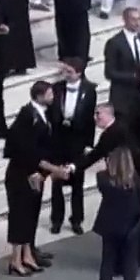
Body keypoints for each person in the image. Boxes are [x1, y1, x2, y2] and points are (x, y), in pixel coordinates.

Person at [3, 81, 68, 276]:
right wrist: (53, 169)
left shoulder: (43, 114)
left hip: (35, 174)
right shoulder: (26, 116)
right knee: (19, 216)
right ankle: (15, 260)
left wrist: (44, 171)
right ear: (39, 96)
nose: (52, 97)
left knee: (31, 214)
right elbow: (24, 149)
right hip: (20, 174)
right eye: (49, 94)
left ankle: (27, 255)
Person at [50, 57, 97, 235]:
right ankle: (56, 219)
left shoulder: (89, 90)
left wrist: (89, 144)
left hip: (77, 142)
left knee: (78, 184)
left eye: (70, 72)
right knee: (57, 184)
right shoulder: (57, 88)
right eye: (65, 71)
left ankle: (76, 219)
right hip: (59, 141)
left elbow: (90, 119)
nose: (66, 74)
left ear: (79, 73)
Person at [93, 146, 140, 280]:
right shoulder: (135, 181)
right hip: (131, 227)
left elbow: (103, 185)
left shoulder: (103, 179)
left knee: (107, 264)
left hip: (110, 226)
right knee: (130, 266)